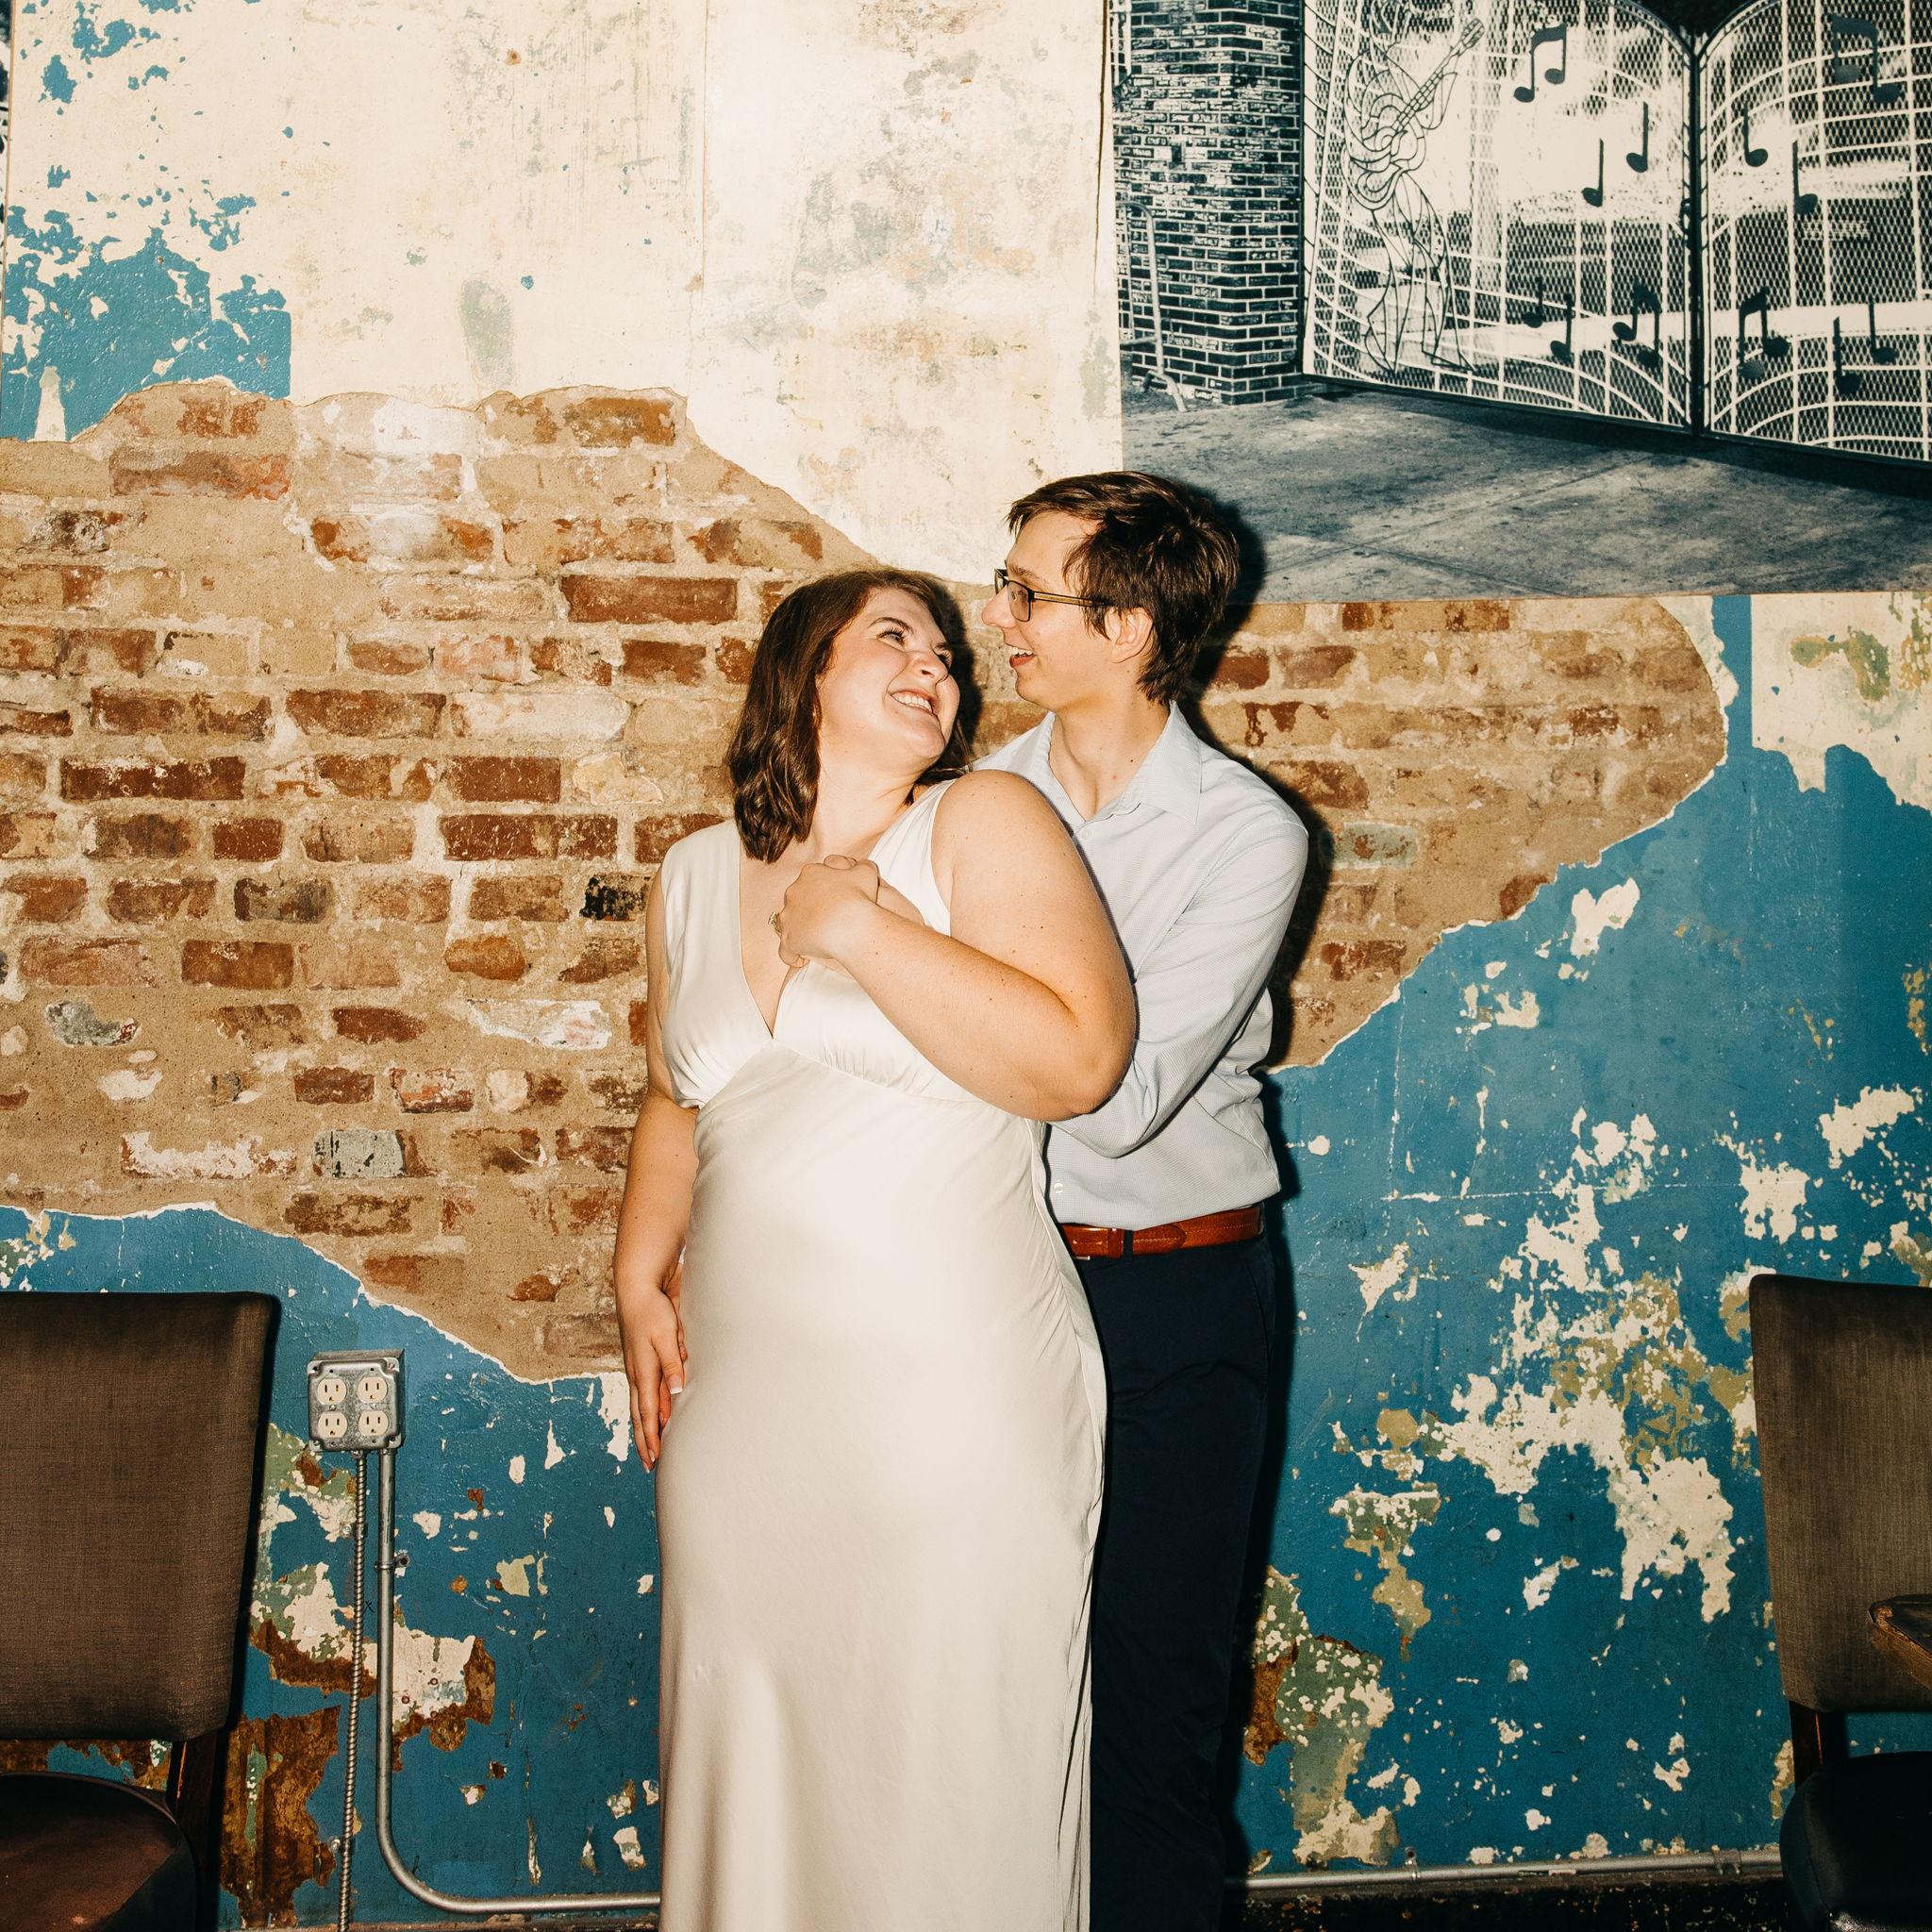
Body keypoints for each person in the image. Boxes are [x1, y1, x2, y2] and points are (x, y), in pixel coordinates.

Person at [611, 566, 1135, 1932]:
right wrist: (635, 1273)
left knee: (947, 1758)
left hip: (950, 1386)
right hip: (747, 1399)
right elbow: (674, 1095)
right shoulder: (691, 873)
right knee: (754, 1728)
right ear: (803, 676)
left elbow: (1077, 1062)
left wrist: (859, 929)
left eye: (948, 652)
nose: (938, 665)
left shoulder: (982, 819)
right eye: (894, 638)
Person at [976, 474, 1310, 1932]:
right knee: (995, 1691)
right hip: (997, 1280)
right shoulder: (964, 809)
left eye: (1028, 593)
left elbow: (1114, 1096)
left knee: (1158, 1706)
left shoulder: (1247, 834)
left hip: (1182, 1299)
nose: (999, 618)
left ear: (1126, 628)